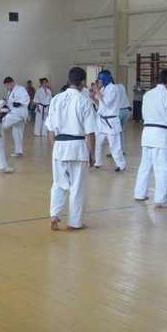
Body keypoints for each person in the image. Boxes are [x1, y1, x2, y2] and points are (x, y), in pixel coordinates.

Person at [46, 67, 96, 231]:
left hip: (59, 145)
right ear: (83, 82)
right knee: (77, 187)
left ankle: (55, 214)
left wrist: (55, 146)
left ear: (68, 81)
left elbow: (50, 128)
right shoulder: (84, 101)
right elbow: (90, 132)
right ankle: (75, 223)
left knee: (58, 184)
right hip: (78, 147)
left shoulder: (56, 99)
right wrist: (92, 153)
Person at [133, 69, 167, 208]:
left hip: (147, 133)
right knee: (164, 168)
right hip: (161, 135)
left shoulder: (148, 94)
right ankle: (161, 199)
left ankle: (139, 193)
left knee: (145, 166)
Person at [92, 70, 126, 172]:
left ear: (105, 79)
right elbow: (101, 104)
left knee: (114, 146)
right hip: (101, 121)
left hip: (111, 121)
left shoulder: (113, 88)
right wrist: (93, 96)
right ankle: (97, 162)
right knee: (97, 143)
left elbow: (107, 102)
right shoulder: (103, 89)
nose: (99, 82)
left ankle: (121, 165)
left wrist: (97, 91)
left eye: (100, 80)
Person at [2, 76, 30, 158]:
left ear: (12, 83)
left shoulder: (20, 89)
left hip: (20, 111)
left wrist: (20, 103)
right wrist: (6, 106)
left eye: (8, 85)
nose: (7, 87)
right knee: (16, 132)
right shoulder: (9, 92)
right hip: (15, 112)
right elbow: (10, 103)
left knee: (5, 121)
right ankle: (19, 152)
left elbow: (26, 98)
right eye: (6, 86)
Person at [115, 82, 131, 155]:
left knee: (115, 133)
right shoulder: (121, 86)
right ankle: (122, 150)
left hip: (118, 112)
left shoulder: (111, 89)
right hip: (126, 110)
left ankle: (116, 151)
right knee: (120, 132)